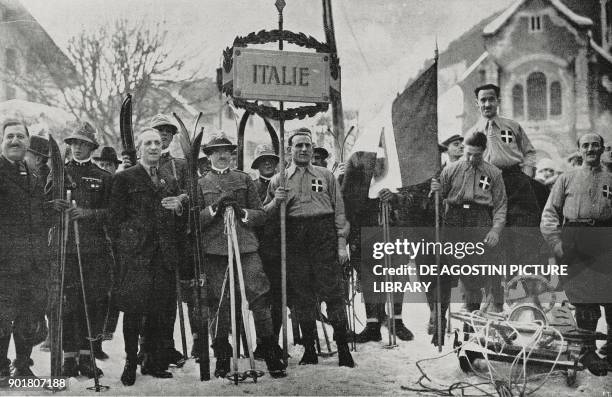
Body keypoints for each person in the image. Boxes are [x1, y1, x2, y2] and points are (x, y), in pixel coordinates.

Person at [198, 135, 286, 378]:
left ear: (232, 154)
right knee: (219, 301)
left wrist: (242, 212)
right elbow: (193, 221)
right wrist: (215, 208)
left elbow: (260, 215)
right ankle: (223, 356)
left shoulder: (243, 179)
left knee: (259, 295)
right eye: (216, 152)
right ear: (209, 156)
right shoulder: (200, 183)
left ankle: (269, 351)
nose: (222, 155)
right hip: (216, 250)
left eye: (226, 151)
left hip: (246, 247)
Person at [265, 130, 355, 367]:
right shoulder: (279, 180)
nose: (303, 150)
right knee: (302, 297)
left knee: (333, 293)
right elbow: (266, 216)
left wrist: (341, 244)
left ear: (313, 149)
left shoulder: (325, 176)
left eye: (307, 145)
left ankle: (343, 348)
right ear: (289, 150)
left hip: (323, 236)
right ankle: (309, 349)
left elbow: (340, 212)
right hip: (295, 238)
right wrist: (277, 201)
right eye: (298, 146)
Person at [110, 128, 185, 385]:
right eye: (148, 143)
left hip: (163, 257)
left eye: (157, 143)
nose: (154, 147)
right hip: (136, 257)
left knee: (159, 312)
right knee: (133, 312)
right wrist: (129, 245)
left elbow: (178, 221)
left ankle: (152, 361)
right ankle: (131, 361)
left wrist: (178, 209)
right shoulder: (125, 178)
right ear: (140, 148)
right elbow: (114, 220)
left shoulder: (168, 180)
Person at [44, 122, 113, 377]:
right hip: (64, 250)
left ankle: (87, 357)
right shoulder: (59, 173)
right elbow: (45, 205)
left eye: (83, 144)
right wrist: (54, 205)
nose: (78, 147)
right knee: (67, 304)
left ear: (91, 147)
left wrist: (87, 214)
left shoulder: (103, 177)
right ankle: (69, 358)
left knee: (91, 303)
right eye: (74, 143)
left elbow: (112, 214)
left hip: (93, 250)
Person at [540, 133, 612, 376]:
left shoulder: (610, 178)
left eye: (595, 145)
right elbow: (550, 213)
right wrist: (557, 244)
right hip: (575, 236)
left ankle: (610, 348)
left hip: (605, 238)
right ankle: (587, 350)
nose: (590, 149)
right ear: (579, 150)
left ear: (602, 149)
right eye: (585, 145)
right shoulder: (566, 179)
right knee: (583, 298)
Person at [467, 83, 540, 310]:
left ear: (498, 101)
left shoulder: (512, 126)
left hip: (516, 183)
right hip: (489, 185)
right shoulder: (473, 133)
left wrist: (526, 175)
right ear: (476, 103)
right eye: (483, 100)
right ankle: (494, 300)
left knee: (523, 237)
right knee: (494, 242)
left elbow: (529, 152)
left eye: (491, 99)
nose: (487, 104)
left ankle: (529, 299)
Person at [342, 139, 415, 343]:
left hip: (394, 232)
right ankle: (372, 324)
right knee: (369, 278)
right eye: (374, 162)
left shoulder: (397, 172)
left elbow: (412, 198)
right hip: (366, 233)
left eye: (382, 161)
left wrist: (394, 197)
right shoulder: (356, 172)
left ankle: (397, 321)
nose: (377, 166)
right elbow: (348, 202)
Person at [431, 132, 507, 313]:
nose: (472, 158)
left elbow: (500, 205)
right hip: (454, 219)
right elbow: (439, 200)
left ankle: (472, 313)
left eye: (477, 155)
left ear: (484, 152)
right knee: (448, 266)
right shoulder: (450, 170)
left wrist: (495, 230)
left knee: (476, 268)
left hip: (479, 218)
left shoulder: (493, 173)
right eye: (469, 153)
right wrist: (436, 191)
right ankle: (439, 317)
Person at [0, 120, 50, 383]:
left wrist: (55, 209)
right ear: (2, 141)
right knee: (1, 319)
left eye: (20, 136)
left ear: (28, 143)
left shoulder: (32, 175)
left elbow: (38, 216)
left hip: (33, 263)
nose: (15, 141)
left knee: (28, 318)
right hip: (5, 264)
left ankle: (22, 366)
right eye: (10, 136)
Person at [149, 113, 188, 369]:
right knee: (146, 297)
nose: (163, 136)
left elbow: (190, 194)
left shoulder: (179, 166)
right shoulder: (136, 162)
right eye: (159, 131)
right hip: (144, 242)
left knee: (168, 296)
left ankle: (167, 346)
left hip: (171, 239)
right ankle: (146, 349)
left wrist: (180, 202)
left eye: (168, 132)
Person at [250, 144, 283, 358]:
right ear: (257, 165)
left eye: (271, 159)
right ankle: (262, 341)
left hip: (281, 249)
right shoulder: (251, 186)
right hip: (259, 249)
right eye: (263, 160)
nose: (268, 163)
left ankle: (275, 341)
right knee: (261, 298)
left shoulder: (284, 183)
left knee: (279, 298)